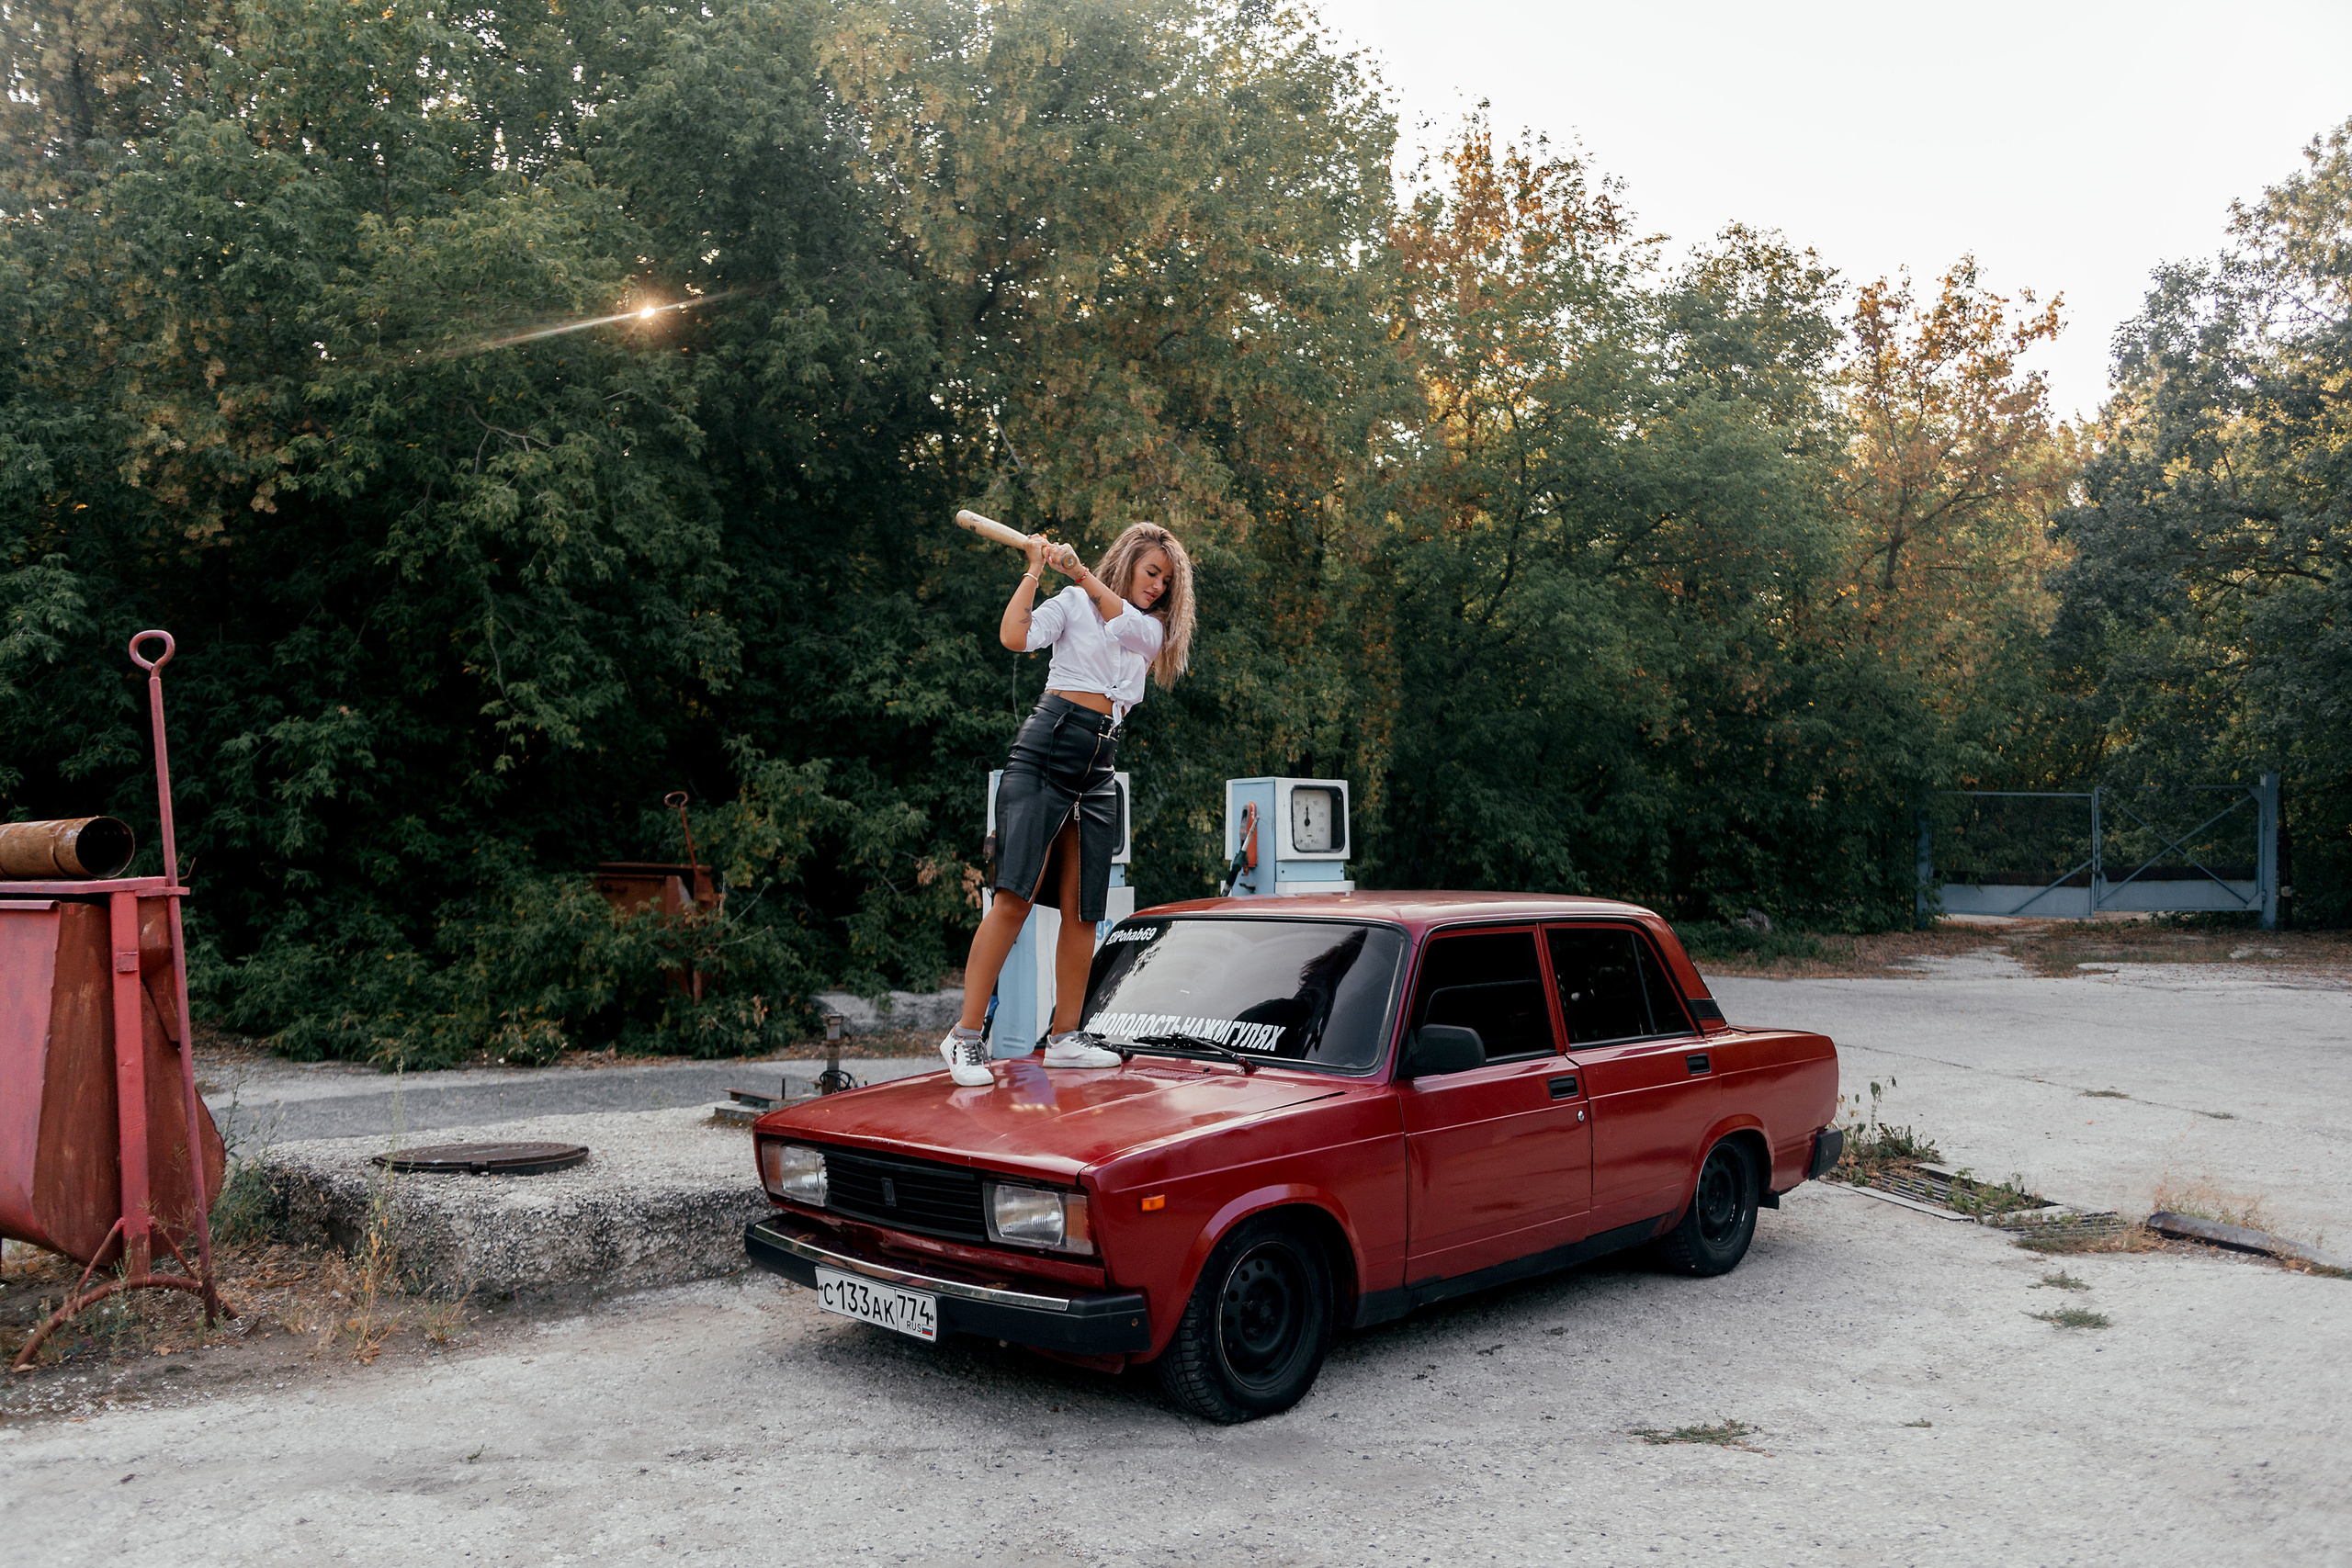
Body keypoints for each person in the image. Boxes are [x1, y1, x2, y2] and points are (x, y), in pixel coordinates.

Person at [939, 522, 1195, 1088]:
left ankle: (1065, 1038)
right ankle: (964, 1037)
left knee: (1085, 910)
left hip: (1100, 766)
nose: (1157, 587)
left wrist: (1078, 569)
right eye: (1151, 572)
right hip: (1047, 749)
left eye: (1166, 581)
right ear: (1128, 560)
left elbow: (1124, 625)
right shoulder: (1074, 601)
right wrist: (1034, 567)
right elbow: (1014, 636)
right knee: (1015, 898)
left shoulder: (1148, 629)